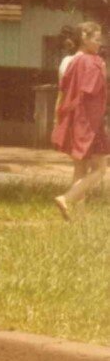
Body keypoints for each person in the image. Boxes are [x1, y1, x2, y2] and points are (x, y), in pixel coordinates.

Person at [51, 20, 107, 221]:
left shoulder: (69, 61)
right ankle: (66, 198)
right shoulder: (93, 62)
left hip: (73, 118)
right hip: (89, 121)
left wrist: (58, 120)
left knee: (80, 168)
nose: (101, 43)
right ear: (84, 37)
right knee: (101, 167)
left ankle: (77, 216)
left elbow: (62, 91)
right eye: (97, 39)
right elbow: (93, 92)